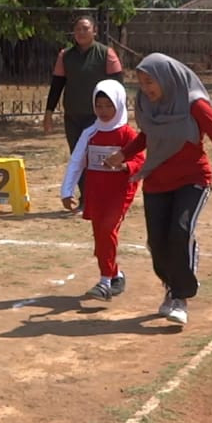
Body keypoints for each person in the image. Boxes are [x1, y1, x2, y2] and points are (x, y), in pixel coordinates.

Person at [105, 54, 212, 327]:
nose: (146, 88)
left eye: (150, 82)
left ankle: (180, 297)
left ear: (166, 78)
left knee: (180, 231)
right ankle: (171, 285)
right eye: (141, 82)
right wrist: (123, 154)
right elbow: (146, 136)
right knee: (158, 244)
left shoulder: (193, 104)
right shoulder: (147, 105)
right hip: (157, 182)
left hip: (193, 179)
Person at [59, 79, 143, 301]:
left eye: (109, 106)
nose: (104, 111)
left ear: (119, 104)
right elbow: (76, 161)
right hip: (96, 191)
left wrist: (125, 166)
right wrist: (66, 191)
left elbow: (141, 160)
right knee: (100, 236)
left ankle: (105, 281)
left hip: (120, 191)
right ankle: (115, 275)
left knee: (107, 229)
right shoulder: (90, 133)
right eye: (99, 106)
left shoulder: (127, 134)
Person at [43, 16, 124, 208]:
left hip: (99, 117)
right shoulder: (66, 56)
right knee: (78, 157)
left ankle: (107, 198)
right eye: (78, 29)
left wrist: (117, 116)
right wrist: (48, 112)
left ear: (94, 31)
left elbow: (118, 86)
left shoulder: (106, 54)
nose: (81, 32)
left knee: (99, 157)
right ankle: (86, 200)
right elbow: (57, 85)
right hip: (73, 115)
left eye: (85, 29)